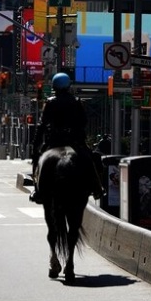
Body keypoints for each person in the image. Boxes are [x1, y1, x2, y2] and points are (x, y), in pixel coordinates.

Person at [30, 73, 103, 204]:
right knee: (90, 160)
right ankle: (97, 188)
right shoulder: (77, 102)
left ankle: (38, 191)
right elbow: (84, 122)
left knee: (38, 161)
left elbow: (42, 125)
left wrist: (36, 146)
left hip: (54, 142)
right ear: (69, 86)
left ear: (54, 87)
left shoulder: (50, 102)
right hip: (75, 142)